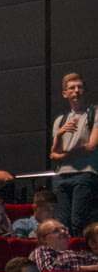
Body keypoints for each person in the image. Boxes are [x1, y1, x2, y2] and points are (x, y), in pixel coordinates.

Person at [49, 72, 98, 230]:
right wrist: (60, 134)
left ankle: (80, 254)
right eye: (72, 88)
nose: (76, 90)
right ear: (65, 93)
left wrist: (64, 155)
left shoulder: (94, 113)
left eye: (80, 87)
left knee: (79, 222)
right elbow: (53, 155)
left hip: (84, 174)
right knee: (62, 223)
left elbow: (91, 146)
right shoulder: (60, 120)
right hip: (61, 176)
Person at [29, 217, 98, 272]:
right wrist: (89, 268)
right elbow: (49, 270)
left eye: (64, 229)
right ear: (43, 239)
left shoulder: (77, 252)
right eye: (56, 231)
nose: (63, 232)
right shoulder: (41, 251)